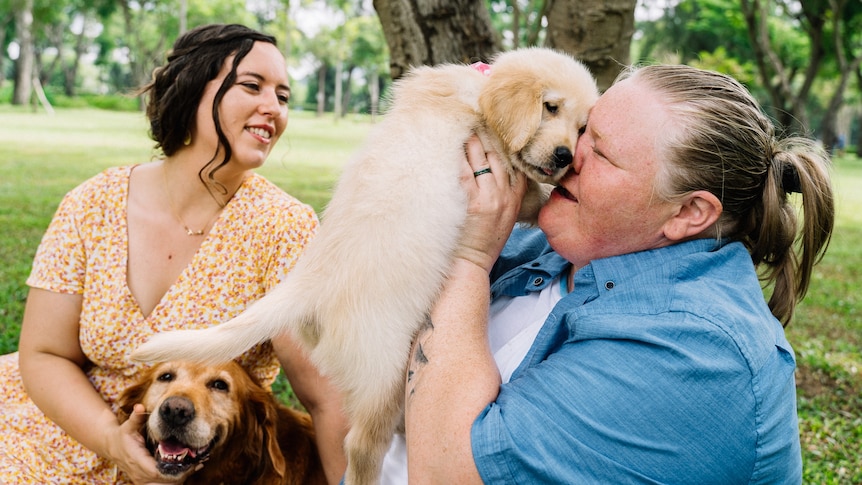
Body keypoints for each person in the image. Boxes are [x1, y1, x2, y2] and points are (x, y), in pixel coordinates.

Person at [397, 64, 834, 483]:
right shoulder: (559, 247)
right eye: (583, 128)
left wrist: (468, 258)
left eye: (602, 152)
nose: (570, 153)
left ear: (687, 212)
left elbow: (445, 474)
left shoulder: (696, 353)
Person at [0, 24, 348, 484]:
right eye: (252, 86)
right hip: (52, 430)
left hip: (201, 463)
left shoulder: (285, 229)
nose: (274, 108)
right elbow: (43, 353)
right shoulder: (91, 203)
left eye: (282, 96)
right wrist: (111, 440)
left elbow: (327, 398)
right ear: (191, 87)